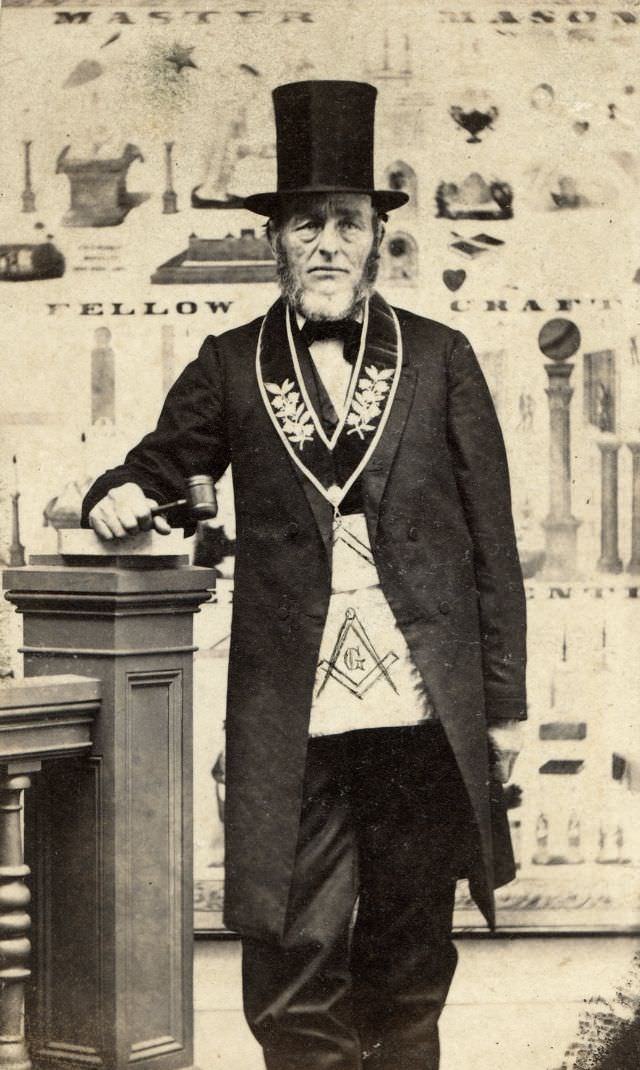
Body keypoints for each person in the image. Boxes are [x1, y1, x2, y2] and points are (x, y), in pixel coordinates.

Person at [82, 80, 527, 1070]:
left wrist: (503, 709)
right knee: (291, 957)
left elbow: (492, 544)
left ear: (377, 240)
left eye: (346, 223)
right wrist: (111, 489)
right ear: (272, 243)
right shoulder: (231, 363)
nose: (325, 243)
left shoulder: (442, 359)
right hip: (294, 715)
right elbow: (153, 469)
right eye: (303, 225)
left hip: (421, 709)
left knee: (410, 964)